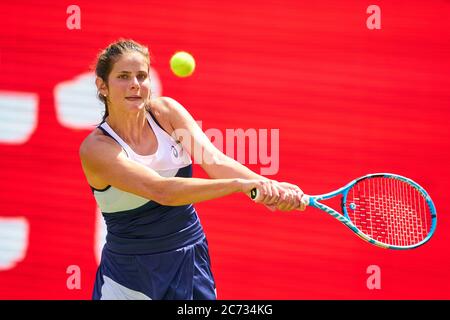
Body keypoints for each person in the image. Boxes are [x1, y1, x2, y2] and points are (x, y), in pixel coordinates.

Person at [79, 39, 307, 300]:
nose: (135, 84)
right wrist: (241, 186)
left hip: (189, 263)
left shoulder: (167, 112)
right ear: (102, 85)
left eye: (142, 76)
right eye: (123, 76)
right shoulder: (96, 149)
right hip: (128, 277)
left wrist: (268, 186)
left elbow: (214, 161)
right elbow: (162, 191)